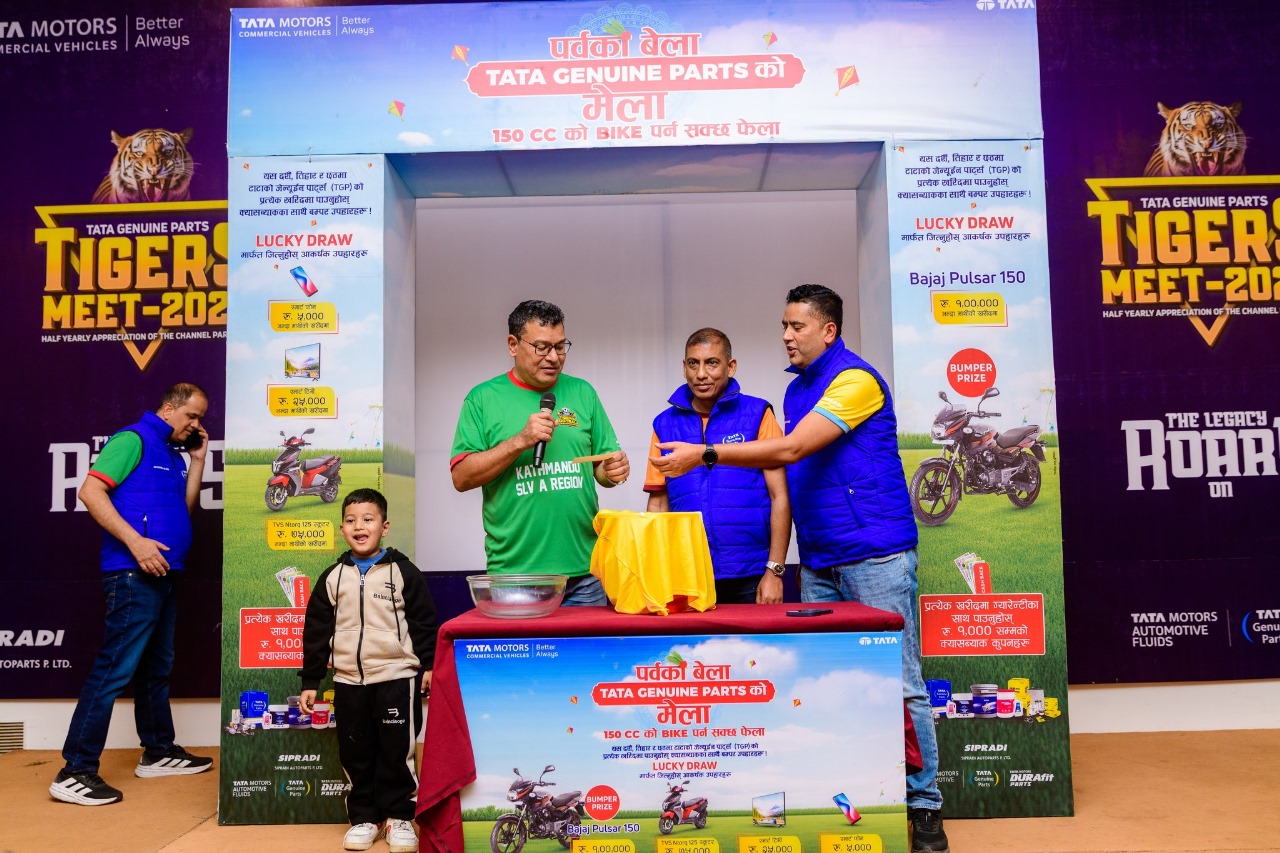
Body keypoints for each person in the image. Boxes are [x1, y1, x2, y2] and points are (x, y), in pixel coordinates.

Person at [650, 285, 948, 853]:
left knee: (901, 684)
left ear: (828, 331)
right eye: (784, 326)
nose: (786, 336)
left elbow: (790, 452)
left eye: (797, 326)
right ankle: (861, 801)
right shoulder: (797, 389)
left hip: (874, 555)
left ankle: (925, 807)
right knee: (828, 689)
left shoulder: (856, 381)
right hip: (819, 561)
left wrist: (705, 453)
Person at [50, 382, 213, 807]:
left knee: (157, 667)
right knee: (113, 670)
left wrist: (197, 461)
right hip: (131, 574)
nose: (196, 425)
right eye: (192, 416)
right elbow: (90, 492)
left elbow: (183, 509)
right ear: (168, 409)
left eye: (199, 418)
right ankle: (75, 771)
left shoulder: (173, 454)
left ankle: (157, 751)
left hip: (165, 572)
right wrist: (136, 543)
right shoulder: (132, 439)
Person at [450, 299, 630, 606]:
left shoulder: (583, 392)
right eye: (542, 347)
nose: (554, 357)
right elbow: (461, 477)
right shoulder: (482, 399)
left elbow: (602, 467)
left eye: (560, 346)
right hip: (515, 577)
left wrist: (612, 472)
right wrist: (520, 441)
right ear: (513, 344)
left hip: (585, 574)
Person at [299, 488, 437, 853]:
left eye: (368, 519)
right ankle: (364, 818)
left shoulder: (404, 572)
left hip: (396, 678)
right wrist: (311, 679)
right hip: (348, 680)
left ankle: (399, 817)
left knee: (397, 752)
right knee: (355, 752)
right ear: (342, 529)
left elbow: (424, 623)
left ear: (384, 527)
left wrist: (429, 665)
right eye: (351, 520)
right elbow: (316, 631)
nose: (359, 527)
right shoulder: (332, 577)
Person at [644, 328, 791, 604]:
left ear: (730, 367)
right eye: (693, 363)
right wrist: (654, 571)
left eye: (711, 363)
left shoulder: (758, 414)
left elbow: (779, 496)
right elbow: (658, 504)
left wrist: (775, 571)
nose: (701, 374)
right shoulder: (664, 424)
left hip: (751, 572)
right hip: (685, 574)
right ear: (684, 368)